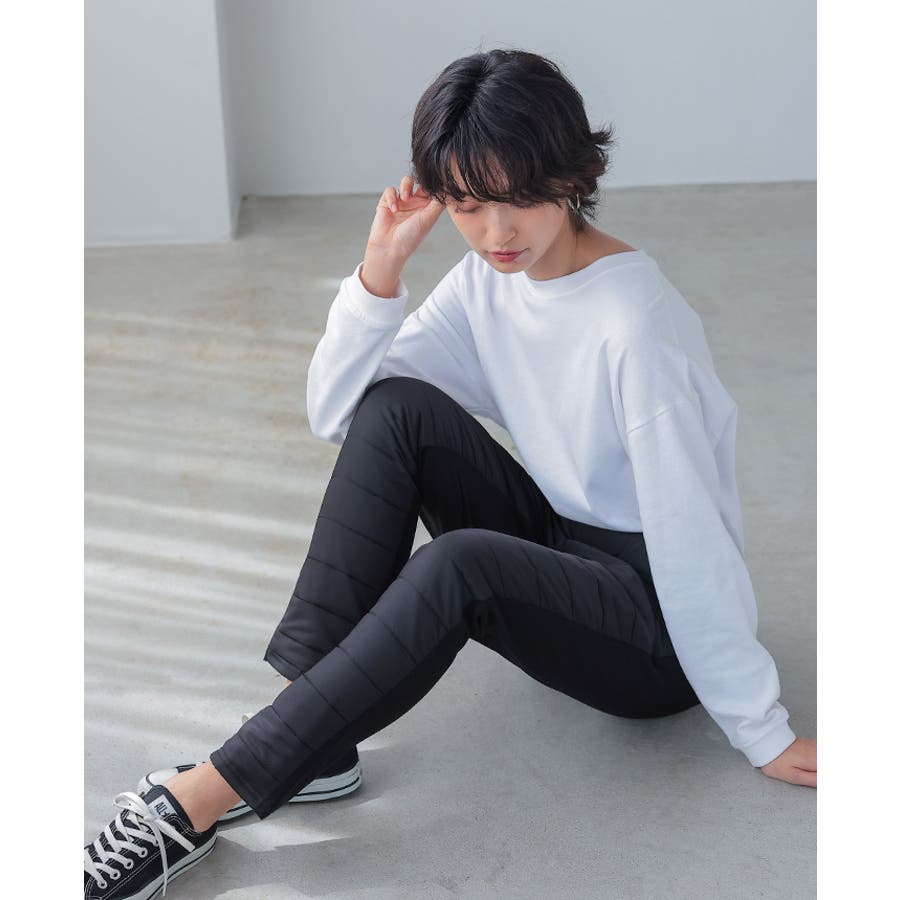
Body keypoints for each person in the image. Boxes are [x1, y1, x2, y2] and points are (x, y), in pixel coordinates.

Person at [84, 48, 816, 898]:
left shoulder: (635, 326)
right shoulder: (487, 284)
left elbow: (692, 536)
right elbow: (343, 412)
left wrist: (760, 728)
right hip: (567, 542)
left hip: (652, 636)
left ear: (570, 175)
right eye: (468, 205)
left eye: (519, 198)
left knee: (461, 564)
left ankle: (199, 798)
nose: (497, 234)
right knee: (398, 409)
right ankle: (313, 743)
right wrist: (380, 270)